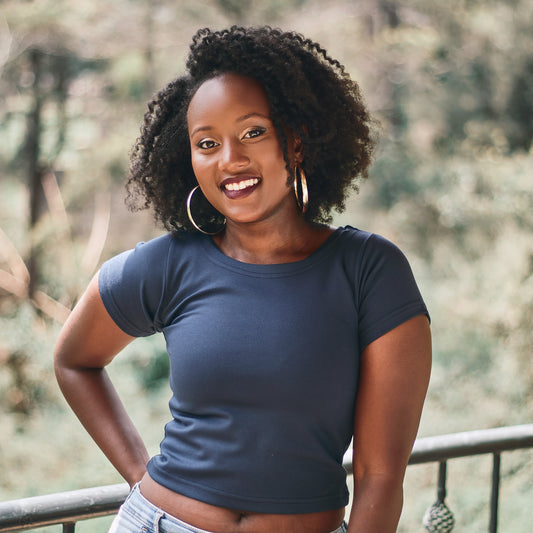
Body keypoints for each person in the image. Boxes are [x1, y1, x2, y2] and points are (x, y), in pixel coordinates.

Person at [54, 26, 431, 533]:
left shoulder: (369, 270)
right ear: (188, 160)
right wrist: (140, 476)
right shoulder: (167, 265)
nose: (230, 159)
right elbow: (74, 360)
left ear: (294, 142)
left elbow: (380, 475)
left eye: (253, 132)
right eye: (206, 143)